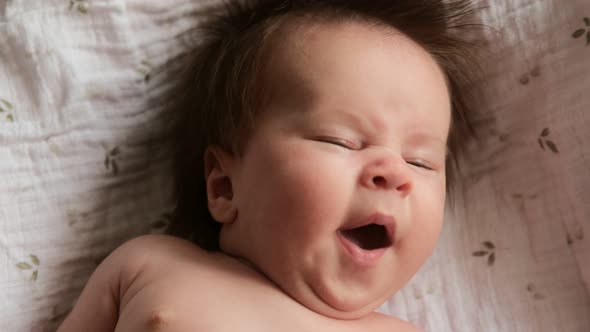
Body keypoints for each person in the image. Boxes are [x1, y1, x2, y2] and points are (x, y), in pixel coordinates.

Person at [58, 0, 480, 330]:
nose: (394, 171)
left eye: (420, 161)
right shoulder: (150, 266)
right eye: (339, 140)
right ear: (224, 186)